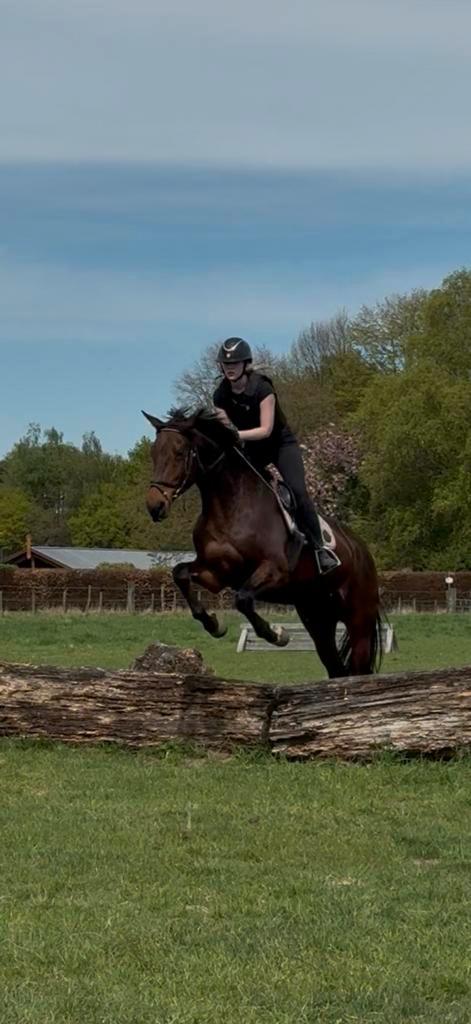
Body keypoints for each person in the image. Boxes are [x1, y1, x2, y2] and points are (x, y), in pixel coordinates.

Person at [212, 337, 341, 575]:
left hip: (280, 445)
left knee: (298, 492)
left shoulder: (262, 388)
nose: (230, 367)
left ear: (245, 364)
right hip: (251, 449)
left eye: (236, 363)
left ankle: (320, 549)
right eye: (226, 364)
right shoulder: (220, 395)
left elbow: (265, 430)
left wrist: (235, 435)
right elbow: (225, 429)